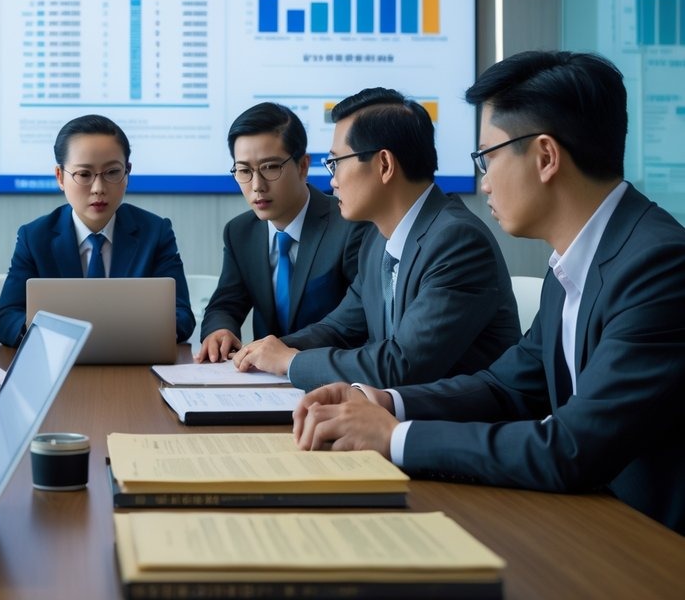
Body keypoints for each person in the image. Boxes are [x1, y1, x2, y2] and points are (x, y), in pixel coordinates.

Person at [292, 51, 685, 534]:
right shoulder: (574, 263)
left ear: (545, 157)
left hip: (652, 545)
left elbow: (571, 448)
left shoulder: (658, 266)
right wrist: (386, 402)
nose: (483, 181)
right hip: (594, 521)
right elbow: (507, 388)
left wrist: (396, 438)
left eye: (488, 156)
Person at [234, 87, 520, 389]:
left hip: (461, 427)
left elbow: (401, 364)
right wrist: (266, 351)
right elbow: (339, 328)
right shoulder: (377, 239)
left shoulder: (458, 242)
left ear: (384, 165)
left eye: (337, 162)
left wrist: (290, 362)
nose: (332, 180)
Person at [0, 114, 195, 347]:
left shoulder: (155, 232)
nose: (98, 189)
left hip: (133, 361)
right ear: (60, 177)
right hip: (60, 364)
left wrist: (127, 332)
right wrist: (53, 333)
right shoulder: (35, 237)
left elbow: (182, 315)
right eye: (84, 175)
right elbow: (6, 318)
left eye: (112, 173)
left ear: (127, 172)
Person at [197, 102, 367, 363]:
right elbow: (225, 304)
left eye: (270, 168)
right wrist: (220, 330)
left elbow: (357, 321)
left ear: (302, 166)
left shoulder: (348, 224)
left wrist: (279, 350)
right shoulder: (240, 232)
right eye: (244, 171)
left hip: (330, 378)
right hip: (263, 383)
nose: (257, 186)